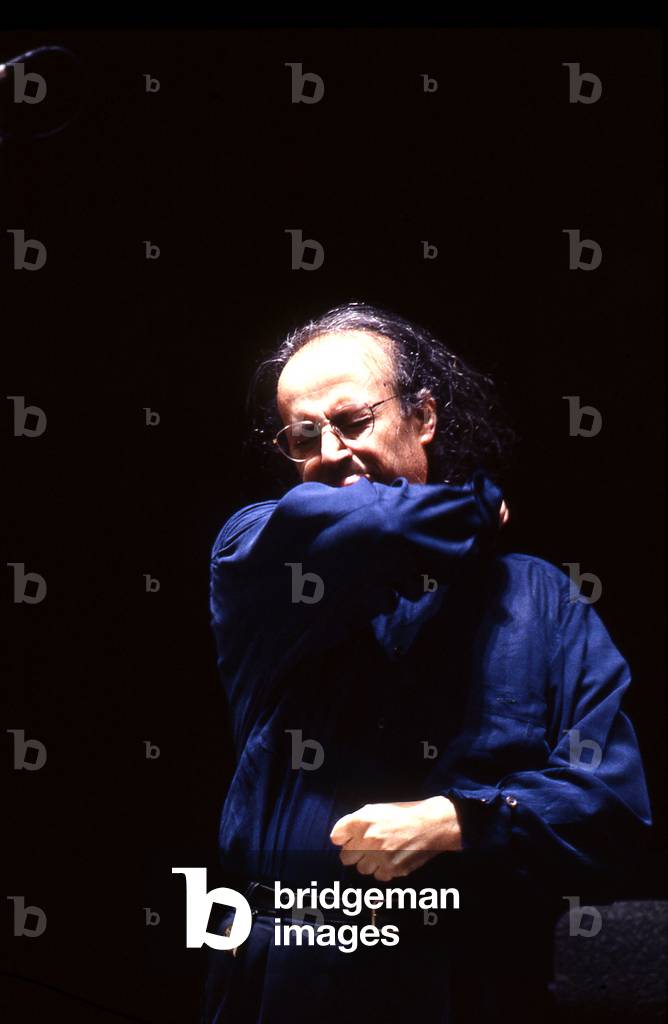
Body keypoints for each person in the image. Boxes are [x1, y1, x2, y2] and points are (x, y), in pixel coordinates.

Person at [201, 302, 651, 1024]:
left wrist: (456, 821)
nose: (331, 452)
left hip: (473, 987)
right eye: (303, 434)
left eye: (352, 422)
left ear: (425, 416)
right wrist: (474, 504)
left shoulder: (541, 600)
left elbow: (613, 809)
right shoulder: (260, 557)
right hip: (292, 982)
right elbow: (387, 521)